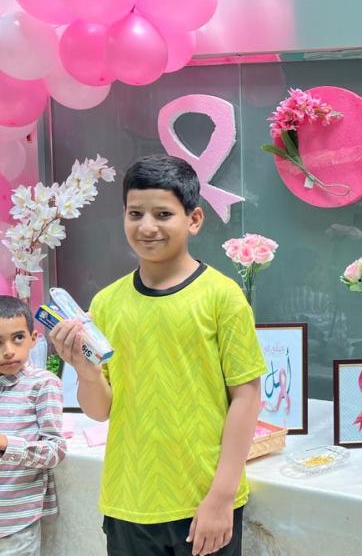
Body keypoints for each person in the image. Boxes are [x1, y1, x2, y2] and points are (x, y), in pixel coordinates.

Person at [51, 155, 266, 556]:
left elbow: (246, 398)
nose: (147, 226)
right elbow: (100, 410)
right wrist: (86, 372)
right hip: (127, 500)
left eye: (163, 214)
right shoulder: (106, 303)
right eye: (135, 213)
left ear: (194, 219)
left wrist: (220, 497)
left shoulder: (222, 297)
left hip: (203, 502)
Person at [0, 296, 65, 556]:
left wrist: (6, 445)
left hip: (16, 519)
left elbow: (55, 450)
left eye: (17, 338)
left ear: (33, 338)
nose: (8, 350)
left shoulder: (42, 383)